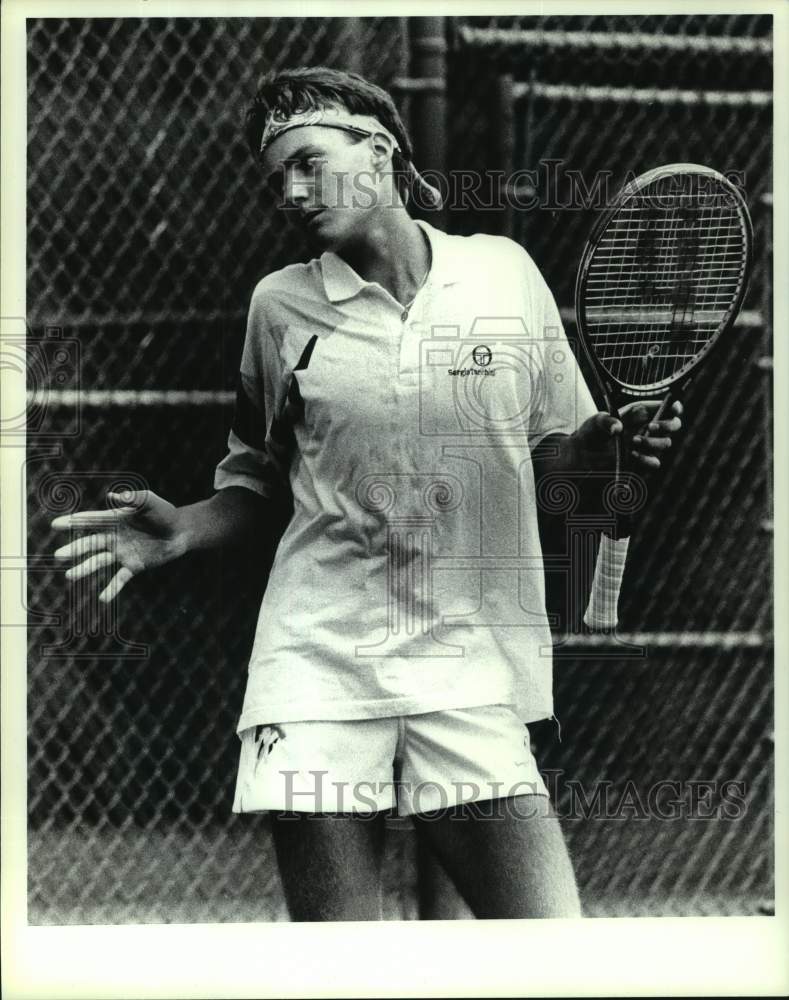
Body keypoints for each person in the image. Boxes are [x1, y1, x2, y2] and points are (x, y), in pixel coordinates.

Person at [52, 66, 683, 921]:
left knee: (548, 952)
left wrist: (607, 451)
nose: (291, 191)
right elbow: (258, 483)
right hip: (317, 667)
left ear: (380, 149)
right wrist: (183, 532)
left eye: (308, 161)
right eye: (275, 177)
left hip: (471, 664)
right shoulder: (278, 308)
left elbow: (557, 460)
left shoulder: (502, 274)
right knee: (339, 968)